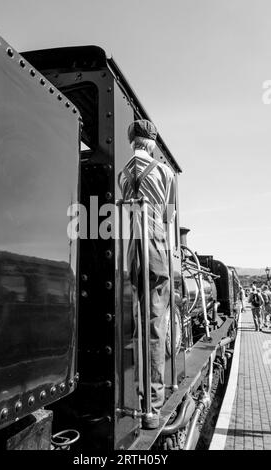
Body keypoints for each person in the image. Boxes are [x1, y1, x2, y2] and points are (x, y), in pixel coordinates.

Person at [118, 119, 175, 429]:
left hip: (132, 250)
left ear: (132, 142)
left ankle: (136, 390)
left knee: (140, 320)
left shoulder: (122, 173)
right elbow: (168, 215)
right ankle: (152, 404)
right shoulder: (164, 172)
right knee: (156, 325)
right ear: (152, 143)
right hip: (155, 246)